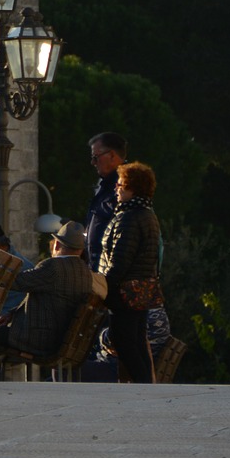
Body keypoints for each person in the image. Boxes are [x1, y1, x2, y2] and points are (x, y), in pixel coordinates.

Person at [0, 220, 95, 365]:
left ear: (57, 244)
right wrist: (13, 312)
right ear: (80, 249)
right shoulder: (85, 273)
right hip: (60, 339)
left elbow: (16, 282)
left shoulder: (53, 267)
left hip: (37, 339)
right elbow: (52, 299)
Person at [98, 160, 163, 384]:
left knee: (123, 340)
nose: (117, 189)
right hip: (142, 290)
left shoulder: (128, 217)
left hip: (124, 292)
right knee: (137, 339)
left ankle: (142, 385)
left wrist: (104, 285)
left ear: (133, 188)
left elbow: (120, 259)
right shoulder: (148, 215)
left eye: (121, 186)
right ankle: (147, 384)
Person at [84, 132, 127, 273]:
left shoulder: (127, 186)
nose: (93, 163)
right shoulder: (104, 186)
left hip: (110, 273)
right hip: (99, 269)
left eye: (96, 158)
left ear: (112, 155)